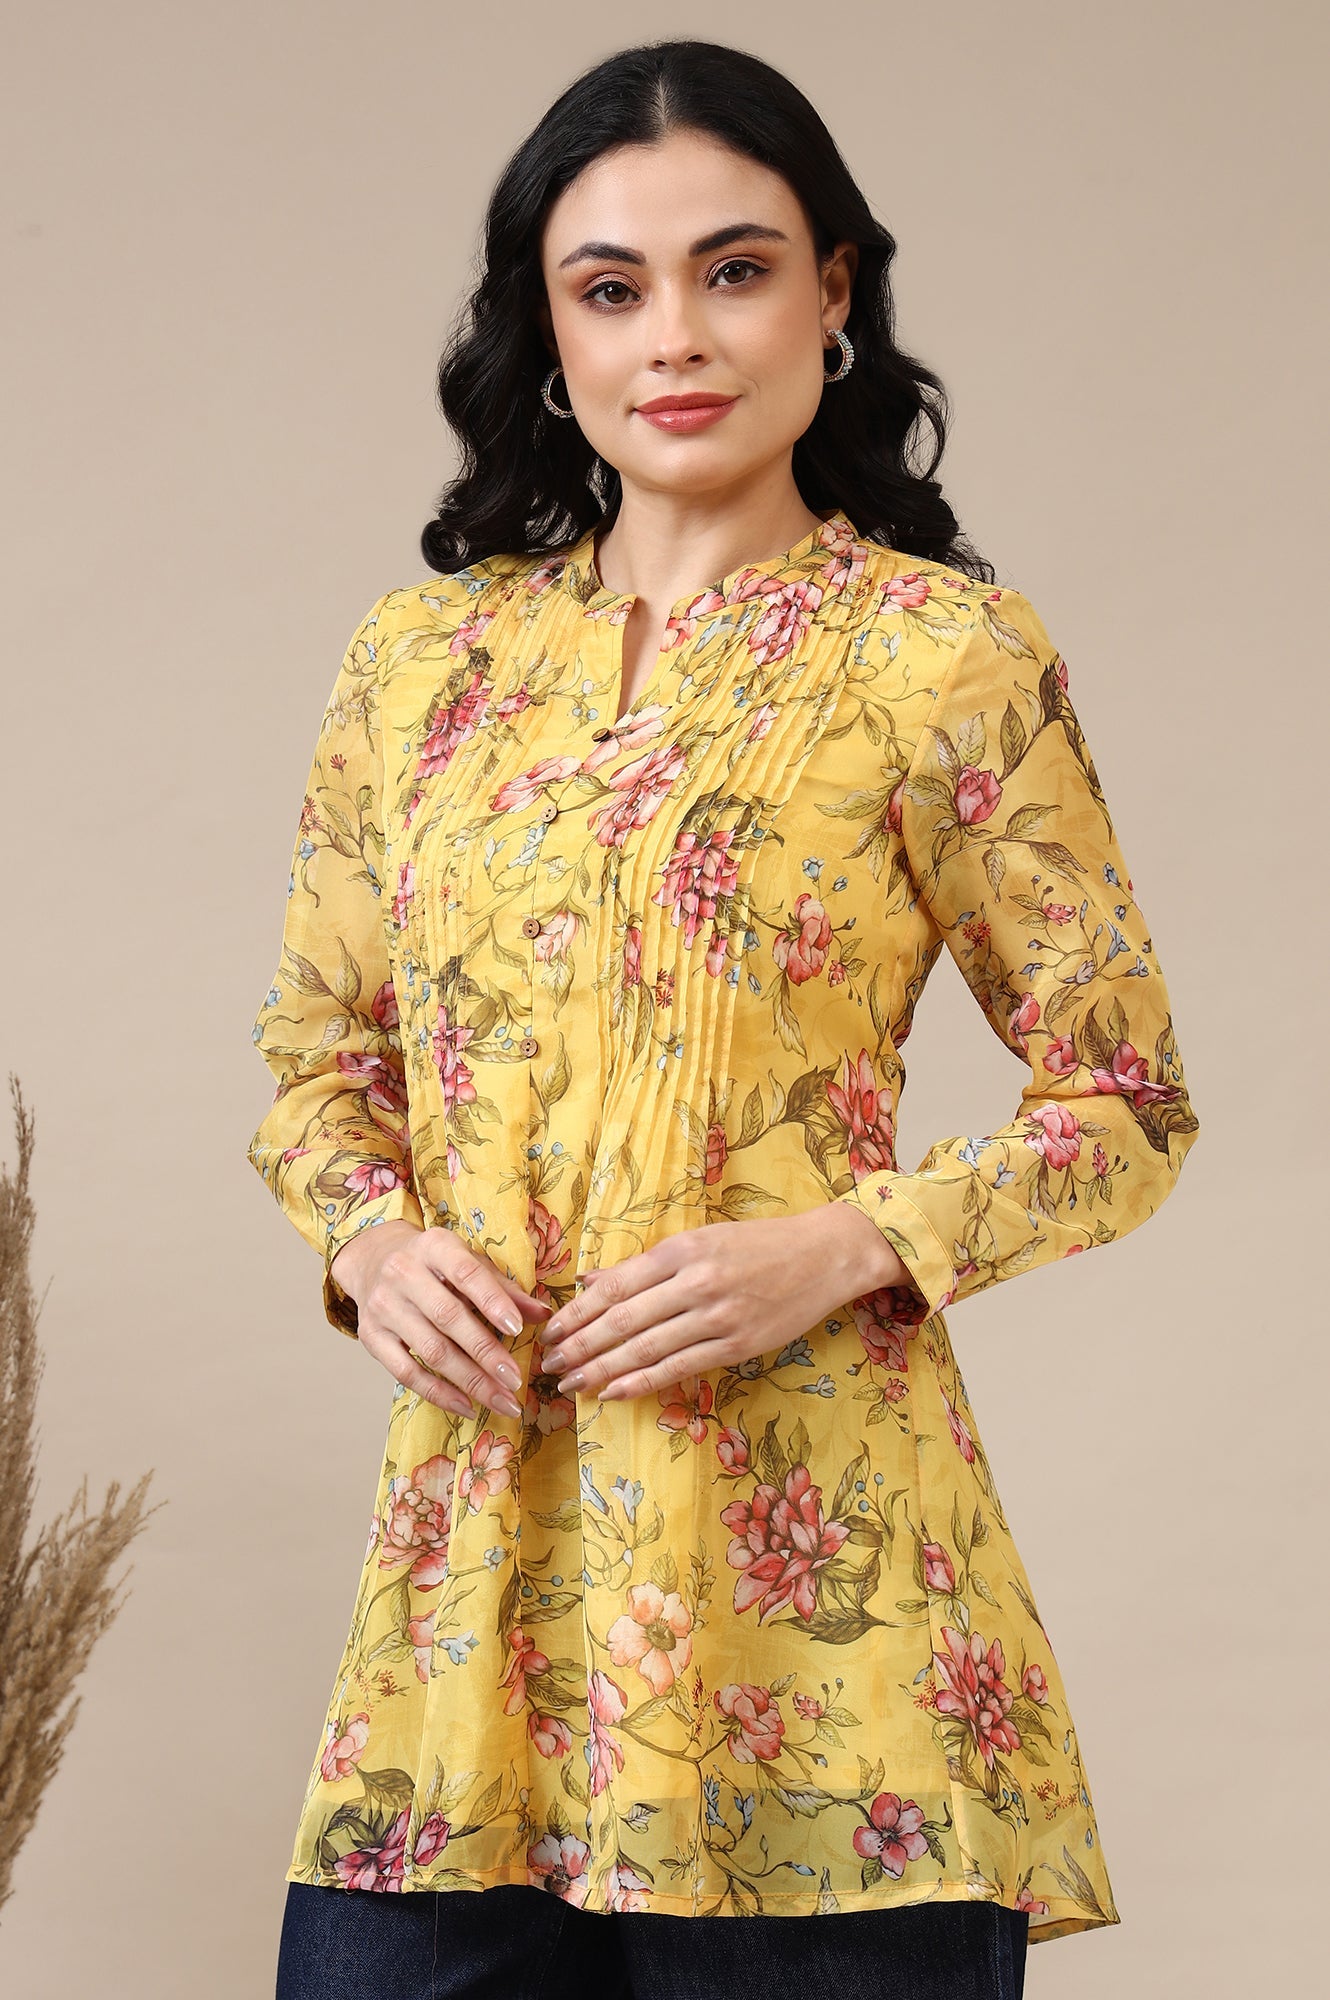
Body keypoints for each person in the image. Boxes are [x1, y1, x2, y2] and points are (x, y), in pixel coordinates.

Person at [249, 36, 1200, 2000]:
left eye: (735, 270)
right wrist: (372, 1244)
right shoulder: (419, 662)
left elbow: (1122, 1101)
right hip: (466, 1624)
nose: (673, 335)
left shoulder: (942, 658)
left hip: (821, 1626)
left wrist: (846, 1243)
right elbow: (318, 1063)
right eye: (608, 288)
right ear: (546, 332)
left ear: (831, 294)